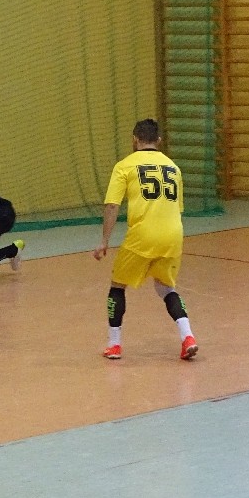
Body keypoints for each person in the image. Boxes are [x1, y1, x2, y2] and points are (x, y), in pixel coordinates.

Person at [93, 118, 198, 360]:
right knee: (166, 288)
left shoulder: (125, 166)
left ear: (135, 140)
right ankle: (188, 337)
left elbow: (112, 205)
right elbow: (178, 208)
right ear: (159, 141)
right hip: (173, 234)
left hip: (142, 235)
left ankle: (114, 344)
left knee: (118, 285)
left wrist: (104, 241)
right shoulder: (173, 167)